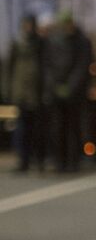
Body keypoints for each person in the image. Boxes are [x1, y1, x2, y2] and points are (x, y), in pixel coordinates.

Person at [44, 12, 93, 172]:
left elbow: (82, 65)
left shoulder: (82, 41)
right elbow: (48, 66)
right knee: (58, 128)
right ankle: (60, 161)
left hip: (75, 94)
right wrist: (55, 86)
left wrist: (71, 86)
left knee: (75, 127)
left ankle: (74, 160)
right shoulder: (53, 40)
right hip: (57, 92)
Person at [6, 14, 47, 173]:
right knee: (21, 129)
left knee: (37, 129)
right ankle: (23, 161)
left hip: (36, 93)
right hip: (21, 92)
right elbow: (10, 69)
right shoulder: (17, 43)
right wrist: (8, 89)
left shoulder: (40, 43)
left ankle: (39, 160)